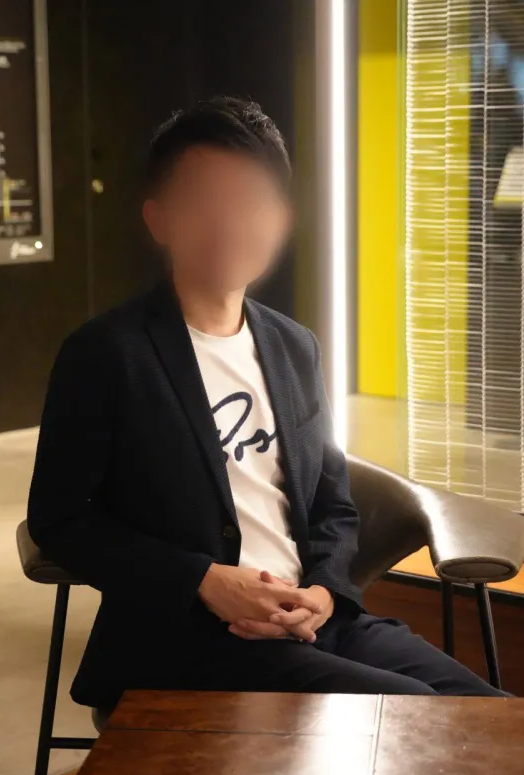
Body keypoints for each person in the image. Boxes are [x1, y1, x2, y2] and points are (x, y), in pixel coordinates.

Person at [28, 97, 505, 710]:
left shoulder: (293, 346)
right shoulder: (106, 354)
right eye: (204, 200)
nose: (230, 222)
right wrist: (203, 580)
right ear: (158, 219)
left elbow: (333, 503)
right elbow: (61, 520)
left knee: (490, 713)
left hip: (313, 621)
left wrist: (326, 592)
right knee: (414, 713)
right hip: (188, 640)